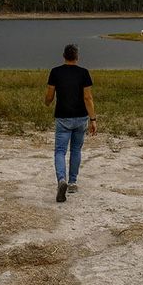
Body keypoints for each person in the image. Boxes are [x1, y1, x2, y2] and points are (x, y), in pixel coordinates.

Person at [45, 43, 96, 203]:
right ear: (77, 57)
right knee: (76, 149)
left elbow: (49, 95)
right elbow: (88, 98)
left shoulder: (55, 72)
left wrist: (47, 102)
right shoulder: (84, 73)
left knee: (60, 151)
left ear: (64, 56)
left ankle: (62, 180)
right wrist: (93, 119)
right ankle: (73, 182)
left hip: (62, 117)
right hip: (81, 118)